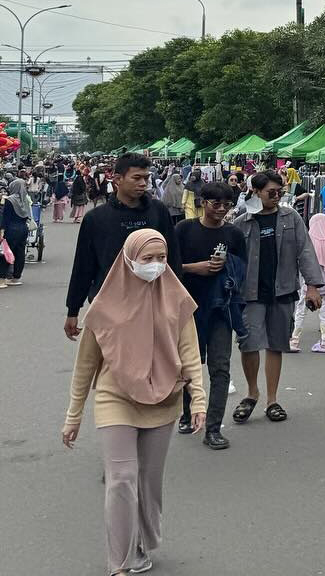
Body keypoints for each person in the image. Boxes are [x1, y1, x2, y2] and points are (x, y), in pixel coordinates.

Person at [61, 229, 206, 576]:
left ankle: (141, 539)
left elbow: (189, 352)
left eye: (161, 259)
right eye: (147, 259)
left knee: (148, 481)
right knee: (122, 477)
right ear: (128, 260)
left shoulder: (176, 298)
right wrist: (73, 415)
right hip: (116, 397)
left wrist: (197, 400)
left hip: (164, 397)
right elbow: (85, 367)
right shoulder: (103, 306)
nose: (155, 266)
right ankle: (119, 563)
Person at [230, 170, 323, 424]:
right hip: (250, 294)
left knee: (276, 344)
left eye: (279, 192)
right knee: (248, 344)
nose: (276, 196)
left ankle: (272, 400)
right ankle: (252, 393)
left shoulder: (290, 217)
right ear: (256, 192)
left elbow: (305, 250)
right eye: (271, 192)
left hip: (282, 290)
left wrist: (313, 286)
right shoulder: (242, 222)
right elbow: (232, 260)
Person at [65, 153, 182, 341]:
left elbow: (173, 258)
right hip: (109, 306)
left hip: (153, 303)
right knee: (111, 367)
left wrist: (177, 302)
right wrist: (73, 309)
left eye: (146, 178)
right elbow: (83, 266)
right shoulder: (96, 219)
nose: (143, 183)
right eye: (136, 178)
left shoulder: (158, 211)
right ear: (117, 179)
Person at [174, 182, 247, 450]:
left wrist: (226, 270)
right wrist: (197, 268)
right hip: (187, 309)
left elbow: (242, 271)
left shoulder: (234, 235)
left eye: (227, 205)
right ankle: (187, 413)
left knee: (220, 368)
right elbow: (167, 267)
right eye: (216, 204)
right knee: (187, 367)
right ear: (203, 202)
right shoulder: (183, 230)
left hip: (221, 310)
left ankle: (213, 427)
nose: (221, 210)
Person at [291, 213, 325, 353]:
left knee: (301, 311)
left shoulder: (310, 240)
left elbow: (304, 262)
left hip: (310, 286)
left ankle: (294, 340)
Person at [0, 177, 32, 288]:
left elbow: (5, 217)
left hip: (12, 229)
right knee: (20, 253)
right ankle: (16, 277)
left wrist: (2, 231)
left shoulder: (10, 200)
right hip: (23, 228)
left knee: (6, 253)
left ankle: (2, 279)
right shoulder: (25, 199)